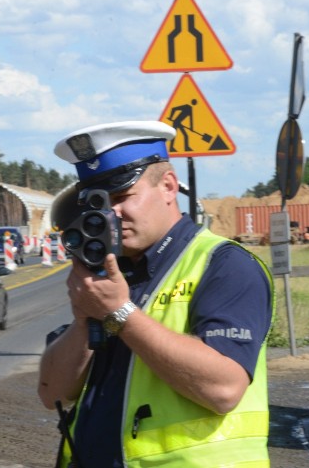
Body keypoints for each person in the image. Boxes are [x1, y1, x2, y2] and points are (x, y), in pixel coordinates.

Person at [38, 120, 274, 468]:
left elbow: (223, 389)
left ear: (167, 186)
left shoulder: (224, 265)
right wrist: (85, 317)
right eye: (97, 205)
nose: (110, 214)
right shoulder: (109, 270)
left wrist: (119, 313)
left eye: (121, 197)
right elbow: (51, 392)